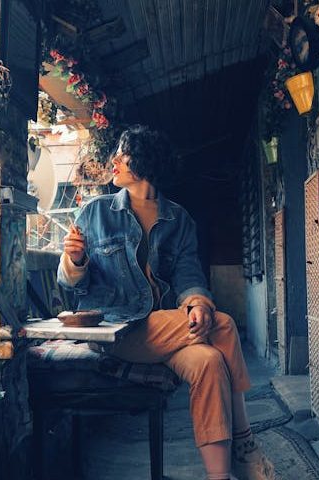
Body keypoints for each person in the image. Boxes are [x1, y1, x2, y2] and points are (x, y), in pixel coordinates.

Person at [58, 125, 275, 480]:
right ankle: (245, 443)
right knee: (223, 324)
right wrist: (75, 259)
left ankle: (220, 476)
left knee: (209, 362)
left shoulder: (179, 219)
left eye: (123, 153)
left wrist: (197, 303)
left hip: (166, 331)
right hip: (119, 331)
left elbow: (189, 274)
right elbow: (68, 282)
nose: (114, 160)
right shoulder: (96, 213)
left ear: (144, 161)